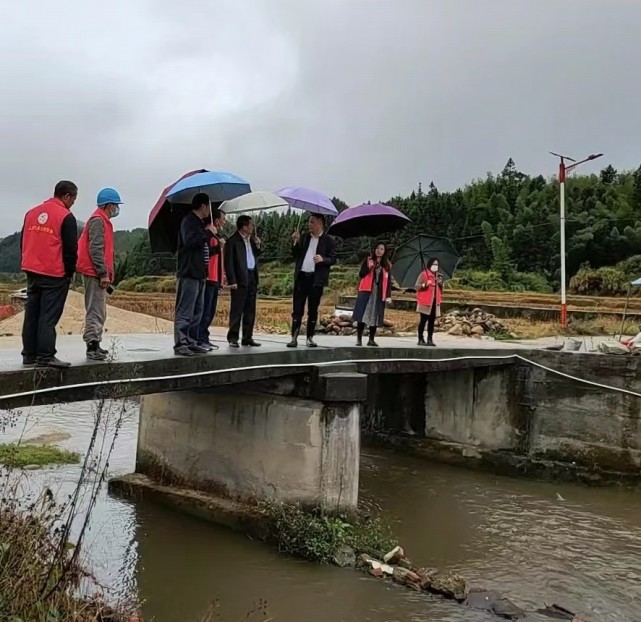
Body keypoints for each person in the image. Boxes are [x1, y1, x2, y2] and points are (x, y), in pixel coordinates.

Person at [20, 180, 78, 368]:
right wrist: (69, 273)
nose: (73, 203)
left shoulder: (31, 213)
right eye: (74, 199)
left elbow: (23, 241)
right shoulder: (66, 216)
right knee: (48, 316)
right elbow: (70, 249)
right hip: (54, 273)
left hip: (32, 270)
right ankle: (45, 356)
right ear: (67, 196)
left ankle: (29, 355)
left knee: (32, 313)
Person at [76, 187, 123, 361]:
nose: (117, 209)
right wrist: (103, 273)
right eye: (116, 205)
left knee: (99, 310)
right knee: (95, 311)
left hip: (96, 272)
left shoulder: (101, 220)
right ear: (109, 205)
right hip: (94, 273)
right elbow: (95, 250)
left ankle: (96, 343)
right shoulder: (98, 221)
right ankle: (92, 346)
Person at [174, 193, 216, 356]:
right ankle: (181, 343)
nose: (210, 210)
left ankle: (192, 340)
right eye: (209, 206)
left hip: (200, 273)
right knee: (186, 309)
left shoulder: (199, 223)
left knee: (197, 310)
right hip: (189, 272)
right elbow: (190, 241)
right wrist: (207, 234)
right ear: (203, 206)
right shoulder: (188, 221)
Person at [287, 214, 337, 348]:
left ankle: (310, 337)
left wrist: (323, 259)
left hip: (316, 279)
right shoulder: (304, 237)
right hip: (302, 277)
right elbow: (295, 254)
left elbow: (333, 259)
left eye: (312, 222)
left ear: (320, 223)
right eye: (309, 222)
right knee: (297, 308)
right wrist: (295, 242)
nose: (309, 225)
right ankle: (294, 337)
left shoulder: (328, 241)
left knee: (313, 309)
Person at [224, 215, 261, 348]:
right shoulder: (232, 241)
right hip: (239, 278)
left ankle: (247, 337)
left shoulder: (251, 240)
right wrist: (231, 280)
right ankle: (233, 337)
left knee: (250, 309)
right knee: (237, 309)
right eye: (251, 225)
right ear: (244, 227)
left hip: (251, 276)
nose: (252, 227)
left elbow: (255, 256)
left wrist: (258, 245)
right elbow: (228, 263)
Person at [197, 207, 227, 350]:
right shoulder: (208, 234)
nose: (224, 221)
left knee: (211, 310)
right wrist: (218, 247)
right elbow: (206, 254)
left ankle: (205, 337)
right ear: (216, 220)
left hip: (216, 278)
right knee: (206, 310)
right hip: (209, 277)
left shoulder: (217, 235)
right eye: (223, 219)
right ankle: (200, 338)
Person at [352, 242, 393, 347]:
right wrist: (368, 268)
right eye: (377, 248)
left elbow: (388, 283)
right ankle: (359, 339)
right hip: (366, 291)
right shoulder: (368, 261)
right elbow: (361, 274)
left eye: (382, 249)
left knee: (375, 315)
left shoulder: (387, 265)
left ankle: (371, 339)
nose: (379, 250)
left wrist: (388, 296)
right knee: (363, 314)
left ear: (384, 252)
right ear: (374, 249)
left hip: (379, 293)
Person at [416, 257, 443, 346]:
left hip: (435, 302)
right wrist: (425, 284)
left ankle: (430, 339)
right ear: (430, 265)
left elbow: (441, 290)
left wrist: (440, 284)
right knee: (423, 321)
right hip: (425, 301)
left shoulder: (439, 276)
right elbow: (417, 286)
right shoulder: (424, 274)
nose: (435, 266)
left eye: (437, 264)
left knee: (432, 321)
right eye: (434, 264)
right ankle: (420, 339)